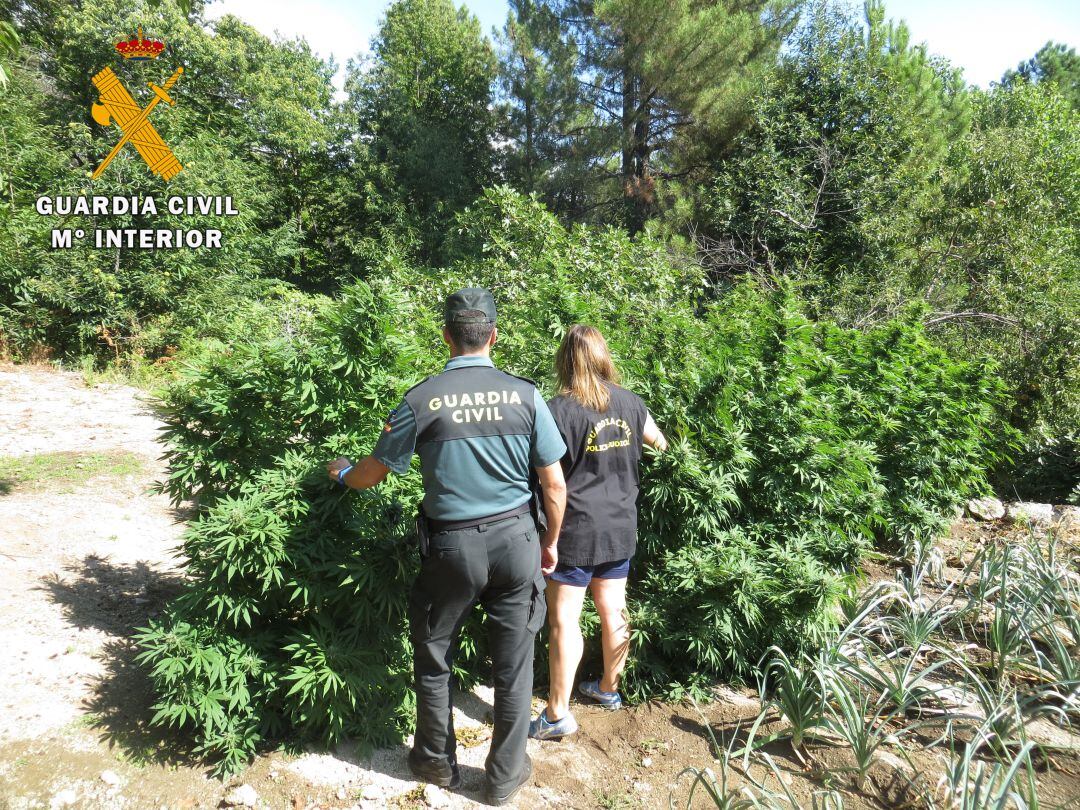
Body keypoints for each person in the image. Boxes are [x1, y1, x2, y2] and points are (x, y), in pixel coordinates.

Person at [327, 288, 567, 806]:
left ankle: (436, 763)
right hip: (517, 541)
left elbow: (374, 472)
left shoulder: (421, 398)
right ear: (493, 336)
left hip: (452, 547)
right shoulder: (526, 396)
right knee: (514, 663)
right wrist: (549, 544)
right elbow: (554, 485)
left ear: (446, 336)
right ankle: (504, 777)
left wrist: (343, 474)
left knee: (435, 654)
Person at [528, 325, 667, 741]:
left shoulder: (556, 411)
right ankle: (609, 690)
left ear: (564, 360)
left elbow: (540, 473)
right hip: (621, 524)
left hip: (573, 530)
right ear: (604, 356)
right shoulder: (631, 403)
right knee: (614, 608)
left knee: (564, 620)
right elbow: (661, 444)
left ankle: (556, 714)